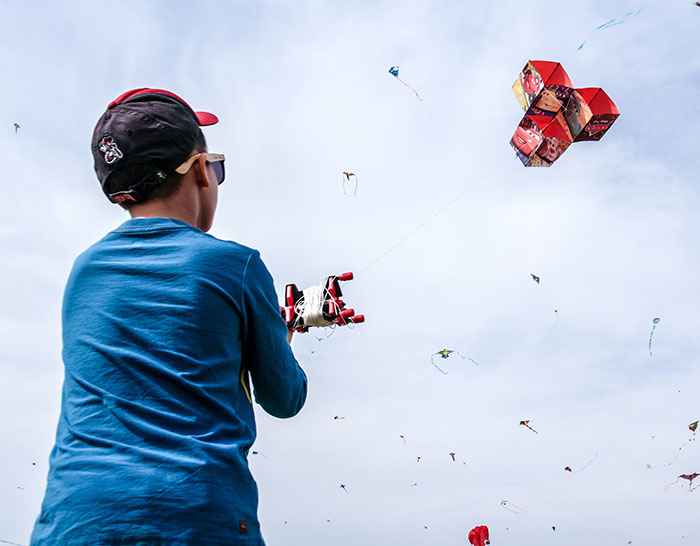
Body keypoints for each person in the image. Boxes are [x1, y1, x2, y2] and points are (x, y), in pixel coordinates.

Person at [30, 88, 307, 545]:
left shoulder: (84, 270)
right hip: (193, 516)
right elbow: (283, 398)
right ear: (201, 169)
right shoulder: (237, 265)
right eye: (216, 165)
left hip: (72, 522)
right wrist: (281, 334)